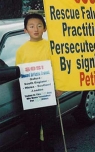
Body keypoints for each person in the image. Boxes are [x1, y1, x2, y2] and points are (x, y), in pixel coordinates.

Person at [16, 13, 62, 152]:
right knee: (32, 130)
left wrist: (59, 88)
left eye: (39, 26)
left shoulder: (51, 47)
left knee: (49, 128)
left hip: (48, 95)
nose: (35, 29)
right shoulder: (21, 51)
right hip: (30, 97)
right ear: (26, 30)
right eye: (31, 26)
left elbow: (59, 70)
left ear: (45, 29)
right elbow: (19, 74)